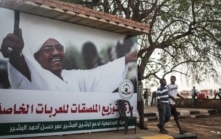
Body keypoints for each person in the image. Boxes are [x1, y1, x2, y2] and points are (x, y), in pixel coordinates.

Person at [0, 28, 137, 92]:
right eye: (48, 49)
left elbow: (98, 74)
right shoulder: (34, 74)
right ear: (37, 56)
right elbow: (21, 64)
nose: (55, 52)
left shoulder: (72, 76)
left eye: (59, 47)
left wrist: (125, 59)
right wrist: (16, 53)